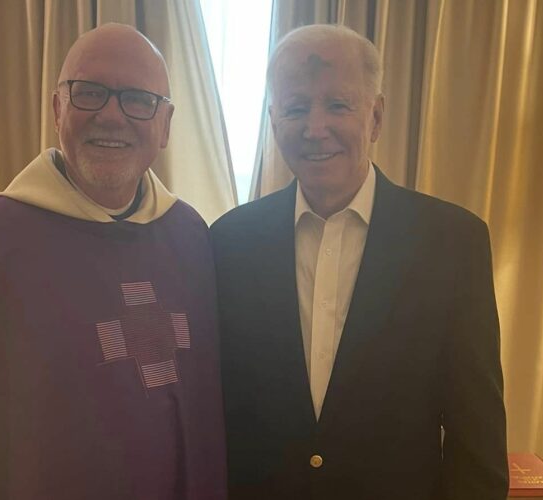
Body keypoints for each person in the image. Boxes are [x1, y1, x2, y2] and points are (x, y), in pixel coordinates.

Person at [0, 23, 226, 500]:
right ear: (58, 109)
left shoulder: (190, 238)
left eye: (138, 100)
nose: (111, 115)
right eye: (90, 93)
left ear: (165, 125)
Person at [211, 24, 508, 499]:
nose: (315, 128)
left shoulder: (453, 242)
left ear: (376, 117)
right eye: (295, 108)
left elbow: (477, 434)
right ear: (273, 120)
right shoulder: (228, 241)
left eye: (337, 105)